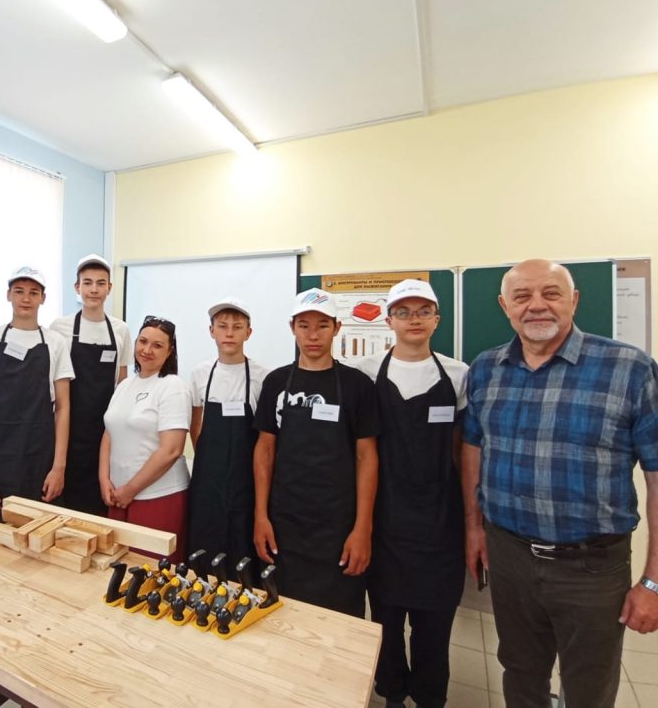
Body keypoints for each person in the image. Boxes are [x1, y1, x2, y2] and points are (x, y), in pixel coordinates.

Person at [463, 258, 658, 708]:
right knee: (520, 672)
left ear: (575, 300)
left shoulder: (629, 368)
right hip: (509, 556)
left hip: (592, 568)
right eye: (522, 296)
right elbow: (473, 449)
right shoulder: (486, 368)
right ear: (504, 306)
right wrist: (474, 528)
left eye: (551, 293)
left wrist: (652, 582)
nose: (537, 305)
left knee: (589, 686)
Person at [355, 279, 467, 708]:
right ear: (389, 321)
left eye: (423, 311)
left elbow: (461, 451)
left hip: (440, 525)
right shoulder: (366, 373)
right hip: (384, 522)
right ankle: (392, 695)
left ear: (437, 319)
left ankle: (429, 697)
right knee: (385, 623)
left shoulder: (458, 374)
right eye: (403, 312)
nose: (413, 319)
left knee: (434, 628)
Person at [253, 288, 379, 618]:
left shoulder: (357, 385)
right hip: (285, 523)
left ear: (337, 328)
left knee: (340, 621)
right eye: (304, 325)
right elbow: (265, 450)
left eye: (322, 325)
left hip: (338, 525)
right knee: (283, 616)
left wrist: (363, 528)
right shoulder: (276, 382)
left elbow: (367, 457)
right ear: (292, 328)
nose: (312, 335)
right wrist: (260, 516)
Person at [0, 267, 73, 526]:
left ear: (43, 298)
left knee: (41, 533)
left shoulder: (56, 342)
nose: (26, 298)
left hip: (41, 456)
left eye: (33, 292)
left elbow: (63, 408)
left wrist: (59, 468)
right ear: (8, 295)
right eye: (19, 291)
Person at [100, 316, 192, 562]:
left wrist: (130, 489)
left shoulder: (173, 386)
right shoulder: (125, 386)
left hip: (158, 497)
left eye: (157, 345)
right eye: (142, 341)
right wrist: (104, 479)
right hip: (118, 496)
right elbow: (109, 433)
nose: (147, 350)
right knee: (118, 569)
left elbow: (171, 450)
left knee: (150, 573)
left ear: (170, 351)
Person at [187, 297, 268, 567]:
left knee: (242, 554)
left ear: (249, 332)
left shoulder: (262, 376)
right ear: (212, 331)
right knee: (204, 552)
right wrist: (210, 463)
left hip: (246, 484)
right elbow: (196, 424)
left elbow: (266, 438)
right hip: (207, 484)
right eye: (222, 326)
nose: (229, 333)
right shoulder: (200, 373)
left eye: (237, 327)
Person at [49, 254, 132, 515]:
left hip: (106, 433)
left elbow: (122, 383)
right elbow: (52, 383)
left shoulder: (120, 329)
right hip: (68, 432)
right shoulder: (60, 327)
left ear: (109, 288)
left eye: (100, 283)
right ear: (77, 287)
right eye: (87, 283)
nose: (94, 289)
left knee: (100, 505)